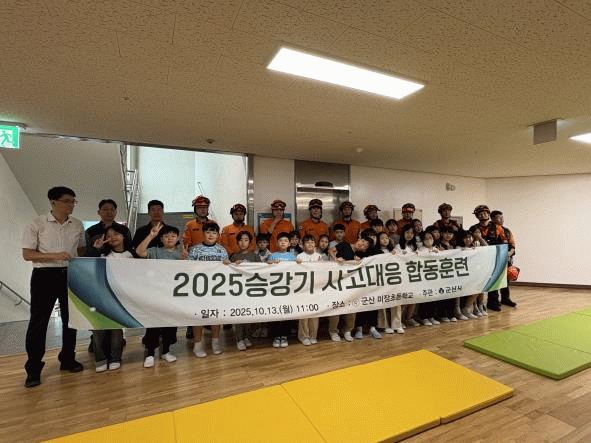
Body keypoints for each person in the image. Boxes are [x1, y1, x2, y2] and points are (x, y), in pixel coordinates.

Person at [22, 186, 85, 388]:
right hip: (44, 276)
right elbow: (28, 254)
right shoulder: (36, 223)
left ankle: (67, 359)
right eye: (67, 201)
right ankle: (33, 368)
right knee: (38, 323)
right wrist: (56, 256)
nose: (71, 205)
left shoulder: (77, 224)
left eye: (73, 201)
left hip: (70, 275)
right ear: (53, 202)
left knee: (70, 320)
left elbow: (81, 250)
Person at [84, 198, 132, 353]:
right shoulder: (91, 231)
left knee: (117, 311)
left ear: (116, 212)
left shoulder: (123, 229)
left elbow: (129, 250)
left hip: (119, 278)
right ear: (99, 212)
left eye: (112, 209)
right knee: (98, 312)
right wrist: (97, 249)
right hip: (98, 277)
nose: (109, 212)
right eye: (105, 209)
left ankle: (118, 339)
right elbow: (87, 254)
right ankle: (95, 340)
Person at [136, 223, 187, 367]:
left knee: (170, 325)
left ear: (177, 238)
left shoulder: (181, 254)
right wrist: (150, 235)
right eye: (166, 236)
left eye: (173, 236)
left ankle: (166, 351)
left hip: (173, 295)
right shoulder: (155, 251)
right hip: (156, 294)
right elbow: (140, 252)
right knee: (153, 325)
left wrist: (186, 260)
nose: (170, 238)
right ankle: (150, 353)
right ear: (161, 238)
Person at [87, 224, 136, 372]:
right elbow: (87, 264)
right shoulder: (103, 254)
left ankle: (115, 358)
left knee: (116, 329)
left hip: (120, 298)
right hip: (100, 297)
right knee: (98, 329)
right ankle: (100, 359)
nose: (113, 237)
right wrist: (96, 249)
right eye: (109, 235)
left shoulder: (131, 255)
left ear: (124, 237)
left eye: (116, 234)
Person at [188, 221, 229, 357]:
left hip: (217, 289)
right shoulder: (195, 249)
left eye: (214, 232)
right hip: (199, 289)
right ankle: (197, 344)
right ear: (203, 233)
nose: (211, 235)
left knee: (216, 315)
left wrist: (227, 264)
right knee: (198, 316)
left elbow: (226, 268)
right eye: (208, 232)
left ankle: (215, 342)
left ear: (218, 235)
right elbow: (189, 267)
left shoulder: (221, 250)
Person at [327, 236, 372, 342]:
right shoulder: (344, 245)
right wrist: (335, 259)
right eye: (362, 241)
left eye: (364, 245)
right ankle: (333, 331)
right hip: (336, 281)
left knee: (352, 308)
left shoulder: (359, 257)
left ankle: (348, 330)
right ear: (358, 240)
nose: (361, 244)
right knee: (336, 307)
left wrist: (357, 262)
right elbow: (330, 250)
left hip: (350, 284)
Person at [470, 205, 508, 312]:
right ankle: (477, 304)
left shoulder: (497, 228)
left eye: (485, 213)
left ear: (488, 214)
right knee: (480, 281)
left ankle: (493, 302)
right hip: (480, 259)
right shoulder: (473, 228)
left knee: (494, 279)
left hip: (495, 257)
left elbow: (504, 241)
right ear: (477, 216)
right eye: (480, 213)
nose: (483, 215)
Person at [229, 231, 260, 351]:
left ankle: (247, 336)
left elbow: (261, 270)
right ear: (237, 242)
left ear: (250, 242)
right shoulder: (234, 256)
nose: (243, 243)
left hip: (250, 289)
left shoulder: (255, 256)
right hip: (237, 290)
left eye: (246, 240)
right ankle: (239, 339)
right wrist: (231, 264)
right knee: (239, 316)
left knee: (248, 315)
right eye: (241, 240)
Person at [268, 232, 298, 348]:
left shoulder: (292, 257)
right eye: (281, 241)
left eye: (285, 241)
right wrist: (271, 263)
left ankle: (284, 335)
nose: (283, 243)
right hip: (275, 289)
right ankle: (276, 336)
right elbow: (266, 268)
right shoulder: (273, 255)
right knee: (276, 312)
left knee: (286, 312)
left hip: (288, 289)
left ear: (289, 243)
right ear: (277, 243)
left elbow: (296, 270)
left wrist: (299, 263)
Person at [296, 235, 323, 346]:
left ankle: (313, 336)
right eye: (307, 242)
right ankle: (303, 336)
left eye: (312, 242)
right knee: (304, 313)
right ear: (303, 245)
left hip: (315, 288)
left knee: (315, 313)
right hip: (303, 289)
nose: (310, 244)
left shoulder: (319, 256)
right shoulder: (299, 256)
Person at [491, 210, 517, 307]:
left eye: (502, 217)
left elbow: (512, 245)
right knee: (494, 280)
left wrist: (509, 253)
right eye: (499, 218)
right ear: (492, 219)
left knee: (506, 280)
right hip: (494, 259)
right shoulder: (489, 230)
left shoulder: (506, 231)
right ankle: (493, 301)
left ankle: (505, 298)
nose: (502, 219)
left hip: (506, 258)